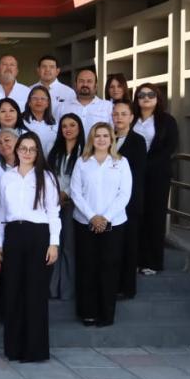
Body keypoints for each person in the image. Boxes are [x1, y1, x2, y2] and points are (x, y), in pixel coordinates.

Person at [0, 133, 61, 363]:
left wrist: (54, 243)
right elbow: (1, 212)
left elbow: (53, 212)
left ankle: (34, 350)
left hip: (38, 235)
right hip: (14, 234)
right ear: (16, 150)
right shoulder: (7, 177)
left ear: (38, 152)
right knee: (13, 291)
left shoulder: (47, 177)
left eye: (32, 149)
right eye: (23, 148)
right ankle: (14, 348)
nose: (27, 153)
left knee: (35, 293)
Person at [72, 124, 132, 327]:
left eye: (105, 135)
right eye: (97, 135)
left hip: (114, 223)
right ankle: (88, 313)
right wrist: (92, 217)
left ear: (111, 139)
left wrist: (105, 218)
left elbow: (124, 194)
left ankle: (106, 315)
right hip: (85, 222)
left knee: (109, 268)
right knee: (87, 267)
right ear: (91, 139)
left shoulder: (121, 162)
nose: (101, 139)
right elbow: (76, 192)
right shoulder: (82, 162)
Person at [133, 82, 179, 275]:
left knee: (154, 218)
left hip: (157, 176)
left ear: (157, 98)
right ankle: (136, 260)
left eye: (150, 94)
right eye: (141, 95)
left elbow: (170, 147)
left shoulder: (167, 120)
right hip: (133, 175)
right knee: (136, 217)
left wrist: (146, 164)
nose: (146, 98)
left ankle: (152, 263)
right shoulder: (131, 118)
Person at [112, 100, 147, 299]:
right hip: (109, 201)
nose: (119, 118)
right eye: (116, 114)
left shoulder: (138, 140)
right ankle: (113, 285)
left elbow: (138, 173)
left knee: (129, 245)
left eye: (123, 114)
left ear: (132, 117)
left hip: (130, 201)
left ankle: (127, 288)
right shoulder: (108, 137)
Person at [47, 114, 84, 300]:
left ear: (79, 128)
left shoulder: (85, 151)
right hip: (53, 203)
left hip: (72, 204)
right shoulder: (54, 149)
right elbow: (47, 174)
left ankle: (67, 291)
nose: (68, 129)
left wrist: (66, 194)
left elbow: (82, 178)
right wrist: (55, 194)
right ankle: (52, 289)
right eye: (64, 126)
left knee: (68, 246)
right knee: (54, 245)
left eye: (72, 125)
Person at [61, 67, 112, 136]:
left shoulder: (108, 106)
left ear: (96, 85)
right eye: (81, 81)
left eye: (89, 81)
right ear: (75, 84)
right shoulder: (63, 107)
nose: (85, 84)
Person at [23, 85, 58, 151]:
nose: (39, 101)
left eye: (43, 98)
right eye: (35, 98)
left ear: (48, 103)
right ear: (29, 102)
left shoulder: (55, 123)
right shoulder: (21, 121)